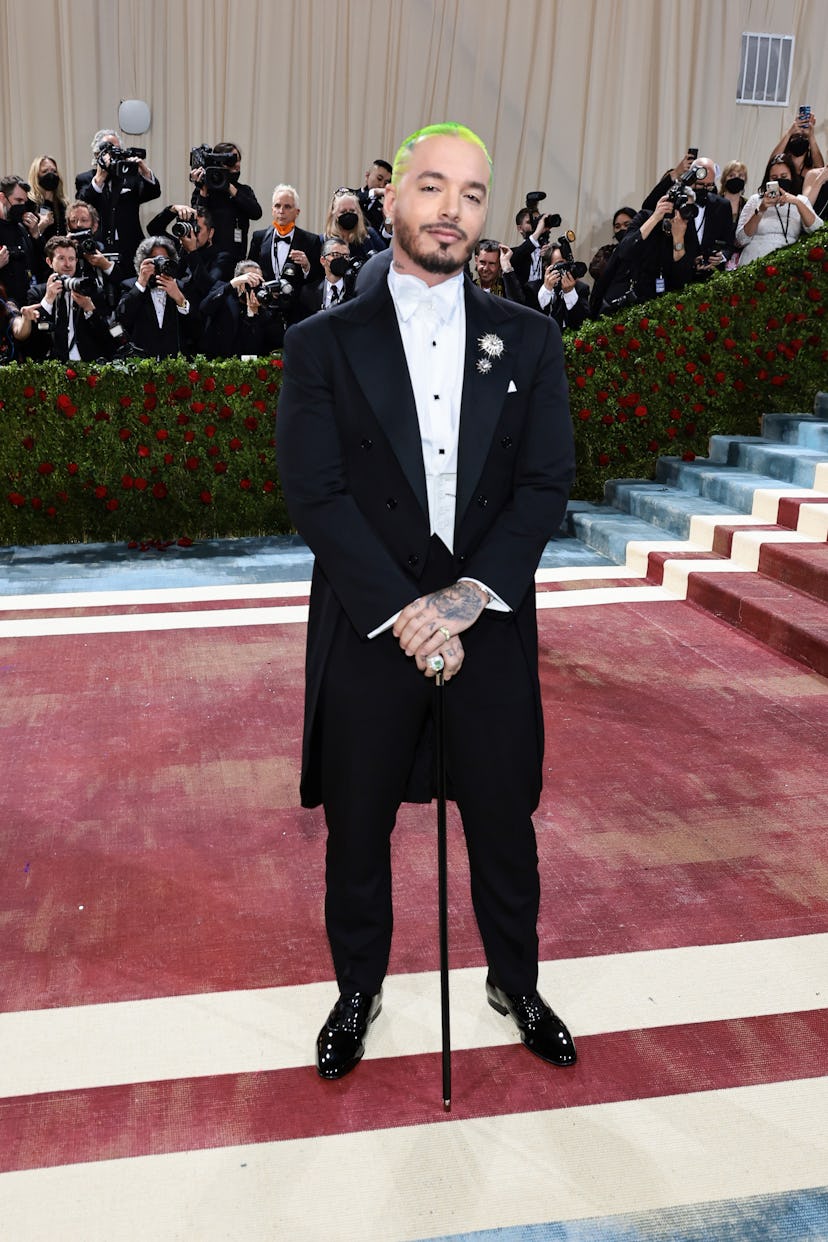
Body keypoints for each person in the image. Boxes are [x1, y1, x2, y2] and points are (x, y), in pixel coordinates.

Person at [277, 122, 577, 1082]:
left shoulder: (529, 338)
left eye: (474, 194)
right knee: (357, 825)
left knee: (502, 816)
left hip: (484, 617)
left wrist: (464, 598)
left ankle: (516, 981)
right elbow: (314, 491)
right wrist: (407, 610)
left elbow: (544, 484)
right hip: (372, 624)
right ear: (395, 197)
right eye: (435, 187)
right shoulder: (321, 343)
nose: (453, 210)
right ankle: (358, 988)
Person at [75, 129, 161, 268]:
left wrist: (144, 172)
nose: (114, 153)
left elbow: (153, 193)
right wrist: (100, 176)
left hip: (131, 247)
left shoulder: (130, 177)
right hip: (99, 248)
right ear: (97, 154)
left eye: (117, 150)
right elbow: (83, 203)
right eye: (109, 149)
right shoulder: (85, 179)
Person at [31, 235, 114, 361]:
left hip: (88, 366)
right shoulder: (37, 293)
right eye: (61, 258)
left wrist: (89, 309)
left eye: (71, 259)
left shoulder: (89, 289)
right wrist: (48, 300)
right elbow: (32, 337)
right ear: (49, 262)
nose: (67, 264)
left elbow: (106, 337)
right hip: (52, 369)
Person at [116, 235, 195, 358]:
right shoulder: (130, 286)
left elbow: (195, 330)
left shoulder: (181, 287)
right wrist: (141, 284)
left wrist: (179, 299)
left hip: (174, 364)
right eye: (154, 260)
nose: (159, 265)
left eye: (164, 259)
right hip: (141, 364)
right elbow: (121, 319)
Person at [736, 154, 822, 266]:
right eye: (774, 178)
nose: (780, 180)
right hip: (753, 262)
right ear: (768, 179)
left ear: (792, 176)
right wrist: (761, 209)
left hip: (785, 265)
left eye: (784, 176)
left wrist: (797, 202)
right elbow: (741, 239)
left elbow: (818, 230)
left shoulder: (800, 200)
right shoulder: (755, 200)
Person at [188, 141, 262, 263]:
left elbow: (256, 213)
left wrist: (229, 187)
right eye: (232, 161)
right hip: (209, 258)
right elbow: (198, 219)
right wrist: (203, 190)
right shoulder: (204, 190)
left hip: (236, 257)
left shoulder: (244, 190)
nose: (237, 164)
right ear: (220, 163)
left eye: (238, 160)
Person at [198, 259, 285, 357]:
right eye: (250, 281)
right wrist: (231, 284)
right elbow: (204, 308)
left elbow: (257, 346)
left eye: (259, 281)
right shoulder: (222, 290)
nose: (254, 286)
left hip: (247, 364)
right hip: (219, 361)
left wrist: (253, 313)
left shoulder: (264, 304)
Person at [248, 184, 323, 287]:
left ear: (297, 212)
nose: (281, 211)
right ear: (272, 210)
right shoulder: (258, 238)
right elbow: (249, 271)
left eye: (287, 207)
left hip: (296, 301)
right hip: (264, 300)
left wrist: (307, 267)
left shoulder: (311, 240)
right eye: (277, 206)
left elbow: (318, 279)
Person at [296, 236, 354, 316]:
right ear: (323, 260)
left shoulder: (354, 292)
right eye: (336, 255)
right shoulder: (308, 293)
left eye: (346, 256)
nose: (342, 259)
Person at [322, 188, 385, 261]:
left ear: (358, 212)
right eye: (343, 212)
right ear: (334, 214)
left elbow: (385, 261)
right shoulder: (324, 241)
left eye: (352, 211)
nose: (348, 214)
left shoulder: (369, 236)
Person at [472, 238, 525, 302]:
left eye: (491, 264)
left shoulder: (508, 289)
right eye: (482, 262)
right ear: (476, 260)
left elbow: (517, 304)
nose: (486, 268)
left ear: (500, 264)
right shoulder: (469, 287)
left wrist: (506, 266)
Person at [357, 158, 393, 235]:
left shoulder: (382, 210)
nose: (381, 185)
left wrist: (388, 221)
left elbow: (384, 244)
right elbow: (355, 199)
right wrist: (375, 192)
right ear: (367, 176)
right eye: (379, 179)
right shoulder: (349, 193)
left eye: (386, 183)